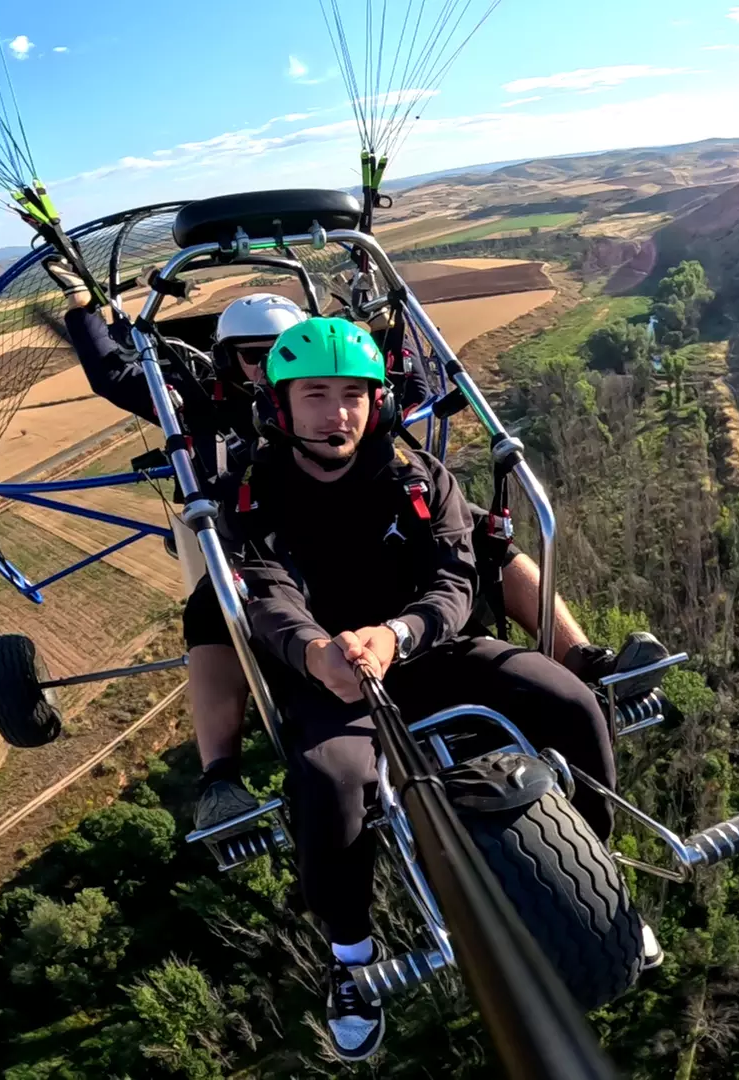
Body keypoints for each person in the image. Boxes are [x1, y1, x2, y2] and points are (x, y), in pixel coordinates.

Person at [47, 261, 652, 835]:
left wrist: (386, 320)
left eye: (277, 352)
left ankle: (584, 659)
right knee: (215, 601)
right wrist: (83, 310)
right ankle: (220, 777)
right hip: (257, 529)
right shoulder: (203, 405)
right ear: (230, 361)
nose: (265, 369)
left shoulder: (344, 397)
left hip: (372, 503)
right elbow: (121, 376)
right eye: (252, 358)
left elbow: (404, 382)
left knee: (483, 538)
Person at [227, 317, 620, 1061]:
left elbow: (454, 577)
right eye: (315, 395)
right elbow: (266, 594)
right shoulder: (253, 497)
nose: (336, 413)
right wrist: (315, 653)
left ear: (376, 403)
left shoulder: (419, 479)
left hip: (429, 650)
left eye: (353, 395)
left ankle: (595, 870)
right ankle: (349, 957)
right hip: (333, 677)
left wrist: (400, 633)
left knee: (568, 700)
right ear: (281, 406)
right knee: (330, 781)